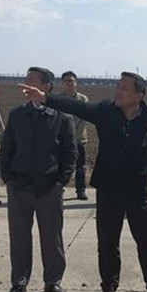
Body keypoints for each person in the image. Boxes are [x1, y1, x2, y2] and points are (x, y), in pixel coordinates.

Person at [21, 72, 147, 292]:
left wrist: (137, 169)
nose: (118, 91)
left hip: (137, 189)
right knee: (107, 241)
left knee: (146, 238)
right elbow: (76, 107)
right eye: (117, 86)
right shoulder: (106, 111)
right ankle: (108, 286)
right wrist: (45, 98)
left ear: (139, 95)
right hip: (108, 188)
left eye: (124, 88)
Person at [0, 67, 76, 292]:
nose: (25, 83)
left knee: (52, 238)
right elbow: (6, 148)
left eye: (31, 80)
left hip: (49, 187)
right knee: (19, 238)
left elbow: (70, 153)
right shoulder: (17, 115)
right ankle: (19, 282)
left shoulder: (61, 117)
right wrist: (8, 178)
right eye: (26, 79)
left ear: (46, 87)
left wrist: (61, 181)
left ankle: (52, 281)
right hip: (20, 186)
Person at [59, 71, 91, 201]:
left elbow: (85, 118)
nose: (69, 83)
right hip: (62, 140)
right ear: (62, 83)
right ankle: (59, 189)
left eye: (71, 81)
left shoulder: (83, 99)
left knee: (80, 166)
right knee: (61, 165)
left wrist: (75, 136)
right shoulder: (58, 99)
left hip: (79, 139)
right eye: (66, 81)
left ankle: (80, 190)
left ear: (76, 83)